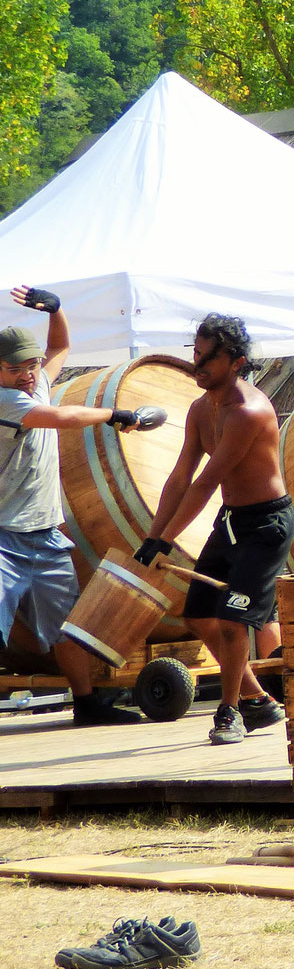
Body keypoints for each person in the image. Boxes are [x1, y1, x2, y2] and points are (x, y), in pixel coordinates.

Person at [136, 314, 292, 746]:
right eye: (196, 354)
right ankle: (259, 701)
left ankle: (230, 712)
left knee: (232, 620)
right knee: (200, 614)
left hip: (266, 526)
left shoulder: (248, 411)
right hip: (232, 522)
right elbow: (181, 474)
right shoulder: (200, 408)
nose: (197, 365)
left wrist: (166, 539)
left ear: (237, 361)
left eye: (207, 358)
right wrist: (153, 534)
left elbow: (206, 482)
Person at [0, 287, 152, 726]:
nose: (29, 375)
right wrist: (115, 415)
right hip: (5, 537)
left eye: (31, 366)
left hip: (45, 534)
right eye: (16, 369)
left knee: (65, 625)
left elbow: (60, 346)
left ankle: (86, 703)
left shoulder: (35, 383)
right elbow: (64, 418)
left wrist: (57, 309)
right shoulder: (6, 401)